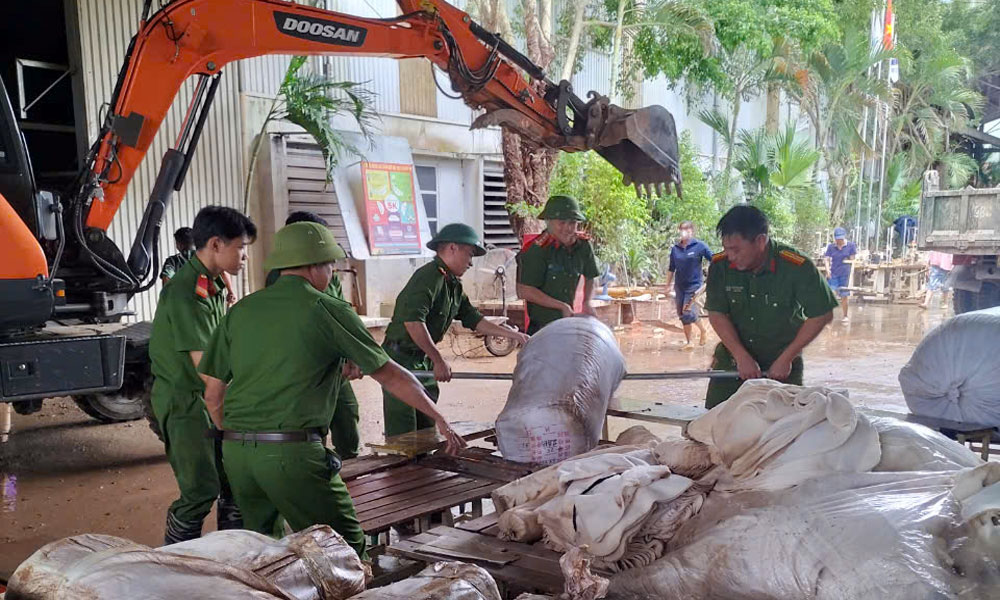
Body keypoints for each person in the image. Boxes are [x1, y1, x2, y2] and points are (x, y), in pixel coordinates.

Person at [198, 222, 469, 558]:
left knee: (265, 553)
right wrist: (439, 417)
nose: (331, 273)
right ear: (315, 265)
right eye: (330, 266)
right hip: (291, 454)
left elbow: (212, 392)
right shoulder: (326, 307)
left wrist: (243, 436)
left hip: (237, 454)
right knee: (344, 549)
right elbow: (392, 376)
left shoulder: (240, 311)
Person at [148, 206, 256, 544]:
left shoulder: (213, 284)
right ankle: (176, 564)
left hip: (205, 399)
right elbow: (209, 375)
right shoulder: (185, 294)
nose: (245, 257)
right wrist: (232, 426)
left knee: (235, 481)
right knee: (200, 491)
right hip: (186, 404)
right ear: (216, 244)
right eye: (241, 248)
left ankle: (231, 557)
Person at [382, 223, 529, 436]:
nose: (470, 263)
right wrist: (439, 359)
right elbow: (413, 322)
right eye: (469, 255)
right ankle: (399, 467)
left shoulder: (453, 284)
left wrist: (514, 335)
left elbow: (474, 319)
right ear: (452, 248)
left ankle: (424, 466)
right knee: (403, 430)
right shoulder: (428, 278)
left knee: (425, 425)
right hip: (401, 359)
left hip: (422, 358)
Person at [703, 206, 839, 409]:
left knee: (783, 428)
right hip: (732, 362)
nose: (730, 256)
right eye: (726, 248)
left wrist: (787, 357)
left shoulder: (795, 266)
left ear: (760, 241)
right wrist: (741, 356)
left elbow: (821, 314)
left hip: (781, 366)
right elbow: (717, 313)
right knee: (713, 425)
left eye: (736, 249)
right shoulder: (720, 265)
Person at [264, 211, 361, 459]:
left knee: (347, 416)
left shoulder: (327, 272)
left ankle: (348, 471)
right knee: (312, 429)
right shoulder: (280, 277)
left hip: (335, 363)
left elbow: (340, 312)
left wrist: (352, 354)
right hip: (307, 368)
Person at [516, 195, 601, 334]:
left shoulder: (583, 245)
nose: (567, 228)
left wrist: (587, 302)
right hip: (541, 327)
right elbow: (524, 291)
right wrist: (561, 306)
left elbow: (591, 276)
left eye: (572, 223)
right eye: (561, 222)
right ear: (548, 221)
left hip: (569, 322)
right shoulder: (537, 250)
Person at [665, 221, 714, 350]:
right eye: (681, 229)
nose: (683, 232)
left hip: (694, 285)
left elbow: (714, 260)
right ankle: (689, 343)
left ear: (692, 231)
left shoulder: (699, 246)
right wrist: (667, 285)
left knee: (687, 312)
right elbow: (671, 268)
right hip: (679, 286)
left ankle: (703, 330)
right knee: (682, 315)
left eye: (686, 229)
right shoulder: (675, 249)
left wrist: (714, 275)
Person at [824, 227, 857, 322]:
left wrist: (851, 273)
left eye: (841, 239)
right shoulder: (831, 247)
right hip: (833, 273)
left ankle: (845, 316)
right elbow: (826, 259)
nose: (839, 241)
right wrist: (827, 270)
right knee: (830, 294)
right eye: (837, 239)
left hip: (845, 274)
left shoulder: (851, 246)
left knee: (844, 296)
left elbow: (853, 261)